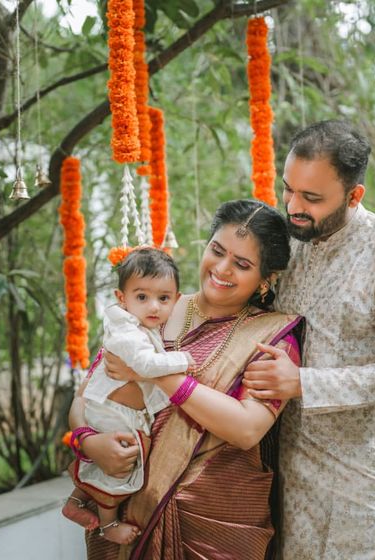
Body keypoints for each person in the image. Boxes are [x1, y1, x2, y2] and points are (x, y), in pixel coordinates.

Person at [68, 199, 303, 559]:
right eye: (217, 250)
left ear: (264, 280)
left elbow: (246, 428)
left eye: (242, 264)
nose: (222, 268)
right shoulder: (152, 306)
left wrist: (156, 374)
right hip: (128, 514)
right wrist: (87, 443)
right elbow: (89, 393)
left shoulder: (271, 337)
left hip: (214, 521)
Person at [243, 120, 375, 559]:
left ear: (355, 196)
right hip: (290, 478)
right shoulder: (287, 242)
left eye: (312, 198)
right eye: (288, 190)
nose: (293, 206)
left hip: (366, 481)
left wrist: (303, 383)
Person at [63, 248, 194, 545]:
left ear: (177, 298)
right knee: (121, 467)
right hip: (113, 414)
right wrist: (184, 361)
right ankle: (108, 524)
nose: (154, 307)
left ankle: (75, 501)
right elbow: (147, 366)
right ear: (121, 298)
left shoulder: (140, 327)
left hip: (115, 411)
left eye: (164, 298)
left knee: (105, 463)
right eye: (142, 297)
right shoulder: (128, 333)